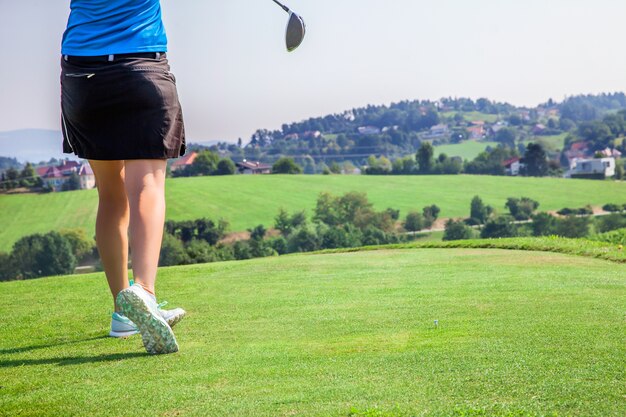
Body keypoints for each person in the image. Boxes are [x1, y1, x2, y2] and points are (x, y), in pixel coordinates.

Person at [61, 0, 185, 354]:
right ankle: (144, 291)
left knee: (110, 194)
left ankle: (122, 310)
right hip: (141, 65)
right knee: (146, 183)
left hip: (82, 75)